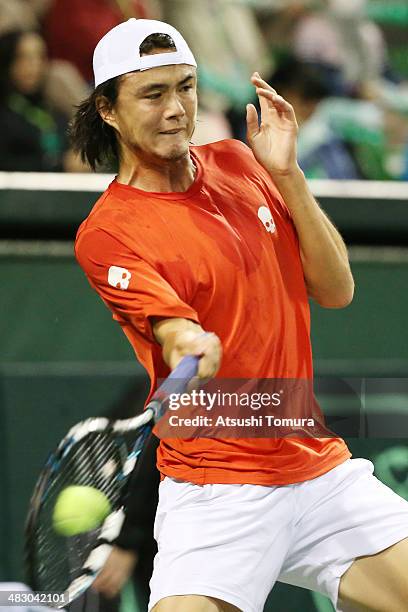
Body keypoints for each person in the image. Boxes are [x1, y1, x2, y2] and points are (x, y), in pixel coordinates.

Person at [72, 18, 408, 612]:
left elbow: (336, 289)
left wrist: (287, 174)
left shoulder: (238, 159)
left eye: (186, 87)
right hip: (216, 489)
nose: (176, 108)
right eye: (153, 94)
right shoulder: (108, 232)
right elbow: (171, 331)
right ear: (108, 109)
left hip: (317, 470)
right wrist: (187, 342)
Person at [0, 29, 85, 172]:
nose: (34, 65)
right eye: (24, 57)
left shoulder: (53, 111)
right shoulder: (5, 114)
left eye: (39, 57)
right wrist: (60, 166)